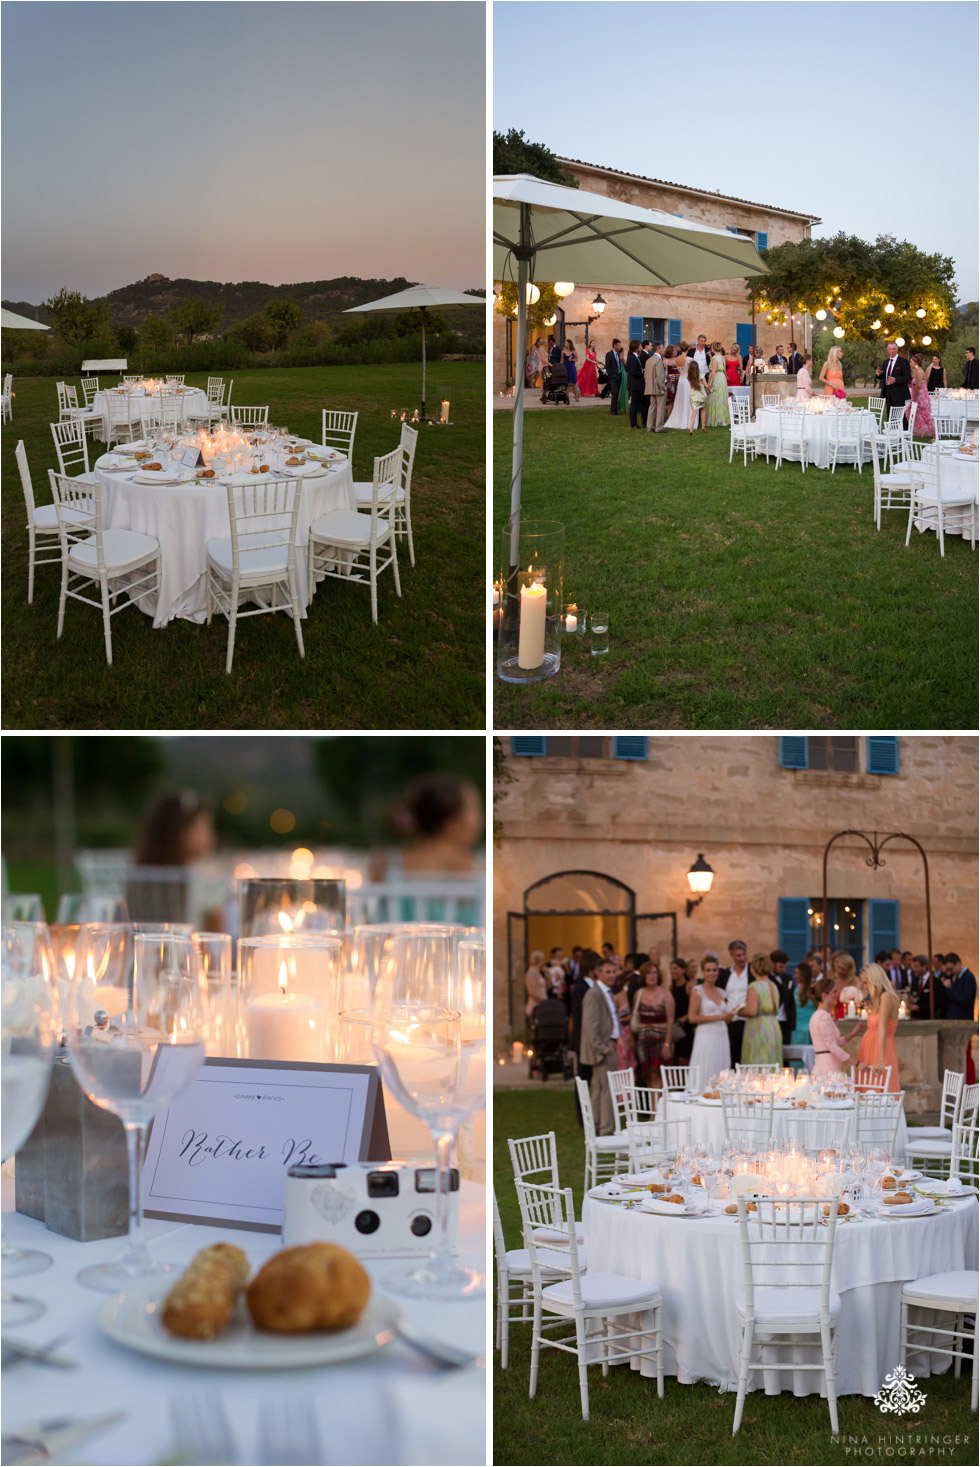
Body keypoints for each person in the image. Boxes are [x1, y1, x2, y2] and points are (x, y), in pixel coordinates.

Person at [580, 959, 620, 1133]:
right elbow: (589, 1024)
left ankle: (595, 1126)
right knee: (608, 1089)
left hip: (607, 1044)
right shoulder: (594, 993)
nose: (612, 975)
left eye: (613, 972)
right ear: (598, 973)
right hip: (604, 1047)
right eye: (608, 972)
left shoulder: (606, 992)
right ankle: (606, 1129)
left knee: (598, 1088)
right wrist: (600, 1047)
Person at [630, 959, 675, 1088]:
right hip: (643, 1041)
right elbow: (634, 1016)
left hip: (661, 1041)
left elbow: (670, 1020)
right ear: (643, 976)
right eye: (648, 973)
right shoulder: (638, 994)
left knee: (658, 1076)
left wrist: (667, 1044)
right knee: (647, 1076)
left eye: (654, 973)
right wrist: (632, 1039)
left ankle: (658, 1106)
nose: (652, 976)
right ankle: (653, 1106)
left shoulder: (666, 995)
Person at [856, 963, 900, 1092]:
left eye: (866, 983)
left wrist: (881, 1060)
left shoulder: (886, 997)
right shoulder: (877, 999)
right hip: (869, 1047)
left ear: (874, 981)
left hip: (880, 1049)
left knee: (879, 1087)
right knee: (867, 1087)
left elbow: (882, 1028)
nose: (864, 986)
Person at [688, 955, 732, 1082]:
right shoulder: (698, 990)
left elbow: (726, 1017)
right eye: (708, 970)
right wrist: (719, 1016)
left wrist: (729, 1016)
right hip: (706, 1035)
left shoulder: (722, 992)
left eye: (714, 970)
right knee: (706, 1066)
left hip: (722, 1035)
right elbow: (692, 1017)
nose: (711, 973)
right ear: (703, 972)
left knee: (721, 1066)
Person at [570, 950, 599, 1124]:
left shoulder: (590, 986)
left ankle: (590, 1113)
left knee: (588, 1077)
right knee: (582, 1078)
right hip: (582, 1039)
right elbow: (581, 1017)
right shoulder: (582, 987)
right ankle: (582, 1117)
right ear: (591, 968)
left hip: (587, 1039)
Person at [740, 952, 783, 1066]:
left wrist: (739, 1011)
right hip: (773, 1025)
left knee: (758, 1059)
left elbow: (752, 1011)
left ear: (752, 968)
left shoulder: (754, 986)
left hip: (759, 1027)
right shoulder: (773, 985)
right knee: (771, 1059)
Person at [809, 978, 852, 1079]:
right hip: (828, 1068)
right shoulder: (823, 1016)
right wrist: (855, 1062)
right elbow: (832, 1046)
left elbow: (835, 1042)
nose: (837, 994)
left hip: (824, 1064)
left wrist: (853, 1033)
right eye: (834, 992)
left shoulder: (818, 1015)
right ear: (824, 996)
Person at [717, 939, 750, 1064]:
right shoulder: (725, 974)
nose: (742, 958)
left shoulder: (751, 972)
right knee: (732, 1057)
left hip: (747, 1020)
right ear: (732, 956)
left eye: (744, 954)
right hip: (731, 1021)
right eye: (738, 955)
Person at [668, 957, 694, 1065]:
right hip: (674, 1028)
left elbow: (695, 1007)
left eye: (675, 968)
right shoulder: (671, 988)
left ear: (683, 970)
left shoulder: (688, 986)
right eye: (671, 969)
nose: (673, 971)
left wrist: (685, 1017)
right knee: (673, 1060)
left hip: (686, 1028)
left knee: (684, 1060)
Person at [769, 948, 797, 1047]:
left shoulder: (787, 978)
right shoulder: (767, 979)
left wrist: (792, 1021)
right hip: (771, 1020)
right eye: (781, 967)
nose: (783, 970)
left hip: (785, 1022)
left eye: (785, 967)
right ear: (772, 963)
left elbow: (791, 1001)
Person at [875, 341, 912, 413]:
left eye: (894, 349)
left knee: (899, 416)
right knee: (890, 415)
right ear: (887, 350)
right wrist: (878, 375)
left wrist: (896, 380)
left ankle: (903, 425)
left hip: (899, 393)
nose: (892, 351)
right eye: (890, 349)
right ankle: (890, 425)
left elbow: (908, 377)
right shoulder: (886, 362)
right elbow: (884, 376)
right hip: (887, 392)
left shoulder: (903, 361)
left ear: (897, 349)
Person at [665, 343, 694, 430]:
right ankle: (686, 420)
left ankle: (679, 418)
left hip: (680, 379)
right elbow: (692, 371)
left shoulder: (677, 359)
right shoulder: (689, 359)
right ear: (688, 348)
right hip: (686, 380)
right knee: (687, 399)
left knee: (679, 400)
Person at [908, 353, 935, 438]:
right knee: (916, 414)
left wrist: (915, 396)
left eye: (911, 362)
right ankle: (919, 431)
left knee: (926, 416)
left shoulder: (919, 371)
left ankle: (934, 434)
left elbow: (918, 385)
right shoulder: (916, 370)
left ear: (915, 362)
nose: (910, 364)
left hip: (921, 397)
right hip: (917, 395)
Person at [943, 952, 977, 1020]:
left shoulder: (968, 977)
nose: (950, 972)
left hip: (963, 1019)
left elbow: (965, 999)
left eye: (951, 969)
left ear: (958, 963)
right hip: (955, 1019)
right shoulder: (955, 977)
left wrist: (950, 987)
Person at [791, 962, 817, 1045]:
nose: (795, 976)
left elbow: (818, 1006)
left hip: (810, 1027)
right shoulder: (797, 989)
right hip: (797, 1026)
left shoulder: (812, 989)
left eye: (798, 973)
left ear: (804, 974)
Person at [705, 343, 730, 427]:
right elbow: (724, 369)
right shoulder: (722, 357)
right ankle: (722, 418)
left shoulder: (715, 358)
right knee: (721, 397)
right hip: (722, 378)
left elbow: (714, 370)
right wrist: (726, 377)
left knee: (715, 397)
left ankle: (715, 419)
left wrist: (710, 383)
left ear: (714, 348)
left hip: (717, 378)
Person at [644, 342, 667, 432]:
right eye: (662, 348)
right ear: (659, 349)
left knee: (652, 407)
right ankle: (659, 427)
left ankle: (650, 426)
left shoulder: (649, 360)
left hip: (650, 387)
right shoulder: (658, 360)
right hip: (658, 387)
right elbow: (660, 375)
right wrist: (663, 387)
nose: (664, 350)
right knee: (660, 407)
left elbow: (646, 374)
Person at [626, 340, 646, 429]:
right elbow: (633, 372)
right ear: (636, 348)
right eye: (640, 346)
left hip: (638, 384)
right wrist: (643, 374)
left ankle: (644, 421)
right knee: (634, 405)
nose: (641, 348)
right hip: (636, 385)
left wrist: (642, 371)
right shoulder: (632, 358)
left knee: (643, 403)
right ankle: (633, 423)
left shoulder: (634, 357)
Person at [524, 950, 548, 1018]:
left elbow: (548, 987)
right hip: (536, 1005)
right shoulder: (531, 972)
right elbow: (531, 992)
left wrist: (548, 974)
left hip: (543, 1004)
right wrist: (544, 1000)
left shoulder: (540, 972)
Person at [687, 360, 708, 433]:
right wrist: (710, 388)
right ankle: (703, 426)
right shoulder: (701, 376)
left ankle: (691, 429)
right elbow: (706, 385)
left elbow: (689, 369)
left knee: (694, 412)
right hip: (702, 395)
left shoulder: (689, 376)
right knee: (702, 409)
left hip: (693, 396)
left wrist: (689, 364)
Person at [605, 340, 623, 415]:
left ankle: (615, 409)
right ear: (615, 345)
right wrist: (611, 376)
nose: (620, 347)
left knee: (617, 393)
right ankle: (613, 410)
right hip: (613, 377)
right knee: (615, 393)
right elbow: (608, 366)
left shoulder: (618, 354)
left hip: (619, 376)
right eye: (618, 345)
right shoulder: (609, 354)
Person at [664, 346, 680, 413]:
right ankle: (670, 417)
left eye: (675, 350)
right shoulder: (665, 360)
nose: (676, 351)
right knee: (670, 400)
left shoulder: (678, 359)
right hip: (670, 382)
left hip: (679, 381)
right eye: (674, 350)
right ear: (670, 352)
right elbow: (664, 372)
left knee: (677, 400)